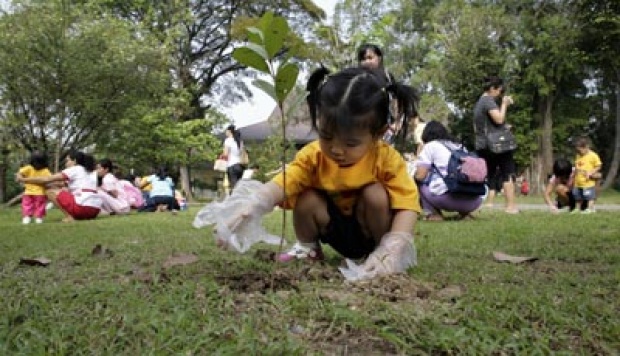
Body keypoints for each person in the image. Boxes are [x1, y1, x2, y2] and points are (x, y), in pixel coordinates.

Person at [218, 66, 421, 277]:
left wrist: (393, 246)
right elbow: (284, 183)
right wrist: (252, 205)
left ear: (378, 135)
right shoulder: (313, 156)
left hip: (371, 230)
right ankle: (308, 249)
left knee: (375, 194)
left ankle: (379, 256)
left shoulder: (386, 158)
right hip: (334, 229)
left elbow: (407, 204)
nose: (336, 149)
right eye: (326, 136)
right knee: (306, 197)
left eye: (351, 143)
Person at [413, 121, 484, 221]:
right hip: (475, 200)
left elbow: (420, 175)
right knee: (461, 179)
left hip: (448, 200)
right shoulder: (459, 146)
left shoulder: (431, 146)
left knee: (419, 182)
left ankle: (433, 214)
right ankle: (465, 214)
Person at [473, 76, 519, 214]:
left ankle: (482, 203)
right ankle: (511, 207)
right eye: (499, 90)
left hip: (483, 144)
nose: (500, 94)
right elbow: (499, 119)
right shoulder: (488, 101)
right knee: (507, 174)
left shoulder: (479, 103)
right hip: (497, 145)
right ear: (492, 89)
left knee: (489, 175)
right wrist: (504, 104)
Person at [17, 150, 102, 222]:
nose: (66, 163)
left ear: (74, 161)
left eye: (67, 160)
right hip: (95, 211)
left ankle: (69, 217)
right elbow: (58, 184)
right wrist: (38, 182)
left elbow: (46, 179)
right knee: (53, 188)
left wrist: (24, 180)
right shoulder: (87, 171)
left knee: (49, 191)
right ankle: (73, 215)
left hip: (82, 208)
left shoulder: (75, 169)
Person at [16, 151, 52, 224]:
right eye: (36, 163)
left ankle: (38, 218)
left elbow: (49, 180)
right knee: (27, 205)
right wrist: (19, 178)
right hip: (28, 192)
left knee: (39, 206)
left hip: (40, 193)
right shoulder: (29, 168)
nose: (38, 165)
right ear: (32, 161)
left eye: (39, 163)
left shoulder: (45, 170)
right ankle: (27, 217)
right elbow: (19, 173)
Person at [572, 137, 602, 214]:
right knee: (577, 196)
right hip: (578, 181)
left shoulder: (593, 155)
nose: (579, 152)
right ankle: (577, 208)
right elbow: (577, 165)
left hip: (588, 181)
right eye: (577, 150)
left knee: (589, 196)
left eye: (580, 150)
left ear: (586, 147)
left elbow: (598, 166)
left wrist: (591, 172)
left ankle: (590, 208)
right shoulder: (578, 155)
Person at [222, 124, 245, 191]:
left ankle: (236, 199)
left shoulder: (228, 140)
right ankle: (241, 199)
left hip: (231, 166)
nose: (225, 132)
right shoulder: (240, 141)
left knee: (234, 186)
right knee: (239, 185)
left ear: (229, 131)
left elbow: (225, 154)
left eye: (226, 131)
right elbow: (242, 152)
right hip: (240, 165)